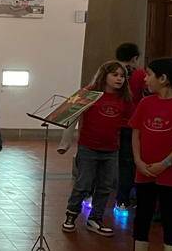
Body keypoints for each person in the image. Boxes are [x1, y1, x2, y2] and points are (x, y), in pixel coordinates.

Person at [58, 61, 134, 237]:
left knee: (106, 185)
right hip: (89, 147)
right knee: (83, 184)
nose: (119, 79)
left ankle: (95, 218)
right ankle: (71, 215)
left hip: (111, 149)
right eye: (115, 75)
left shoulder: (124, 98)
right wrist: (65, 143)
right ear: (104, 75)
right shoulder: (90, 93)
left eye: (122, 76)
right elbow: (72, 115)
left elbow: (130, 121)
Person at [130, 58, 172, 251]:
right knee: (142, 215)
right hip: (144, 170)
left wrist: (165, 163)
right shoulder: (145, 103)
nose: (145, 79)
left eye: (149, 75)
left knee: (170, 216)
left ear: (163, 78)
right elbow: (136, 133)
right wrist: (138, 161)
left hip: (171, 173)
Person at [114, 42, 147, 212]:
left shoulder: (110, 71)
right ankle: (122, 200)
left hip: (112, 121)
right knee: (127, 163)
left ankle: (91, 195)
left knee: (105, 161)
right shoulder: (140, 74)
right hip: (131, 123)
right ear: (135, 58)